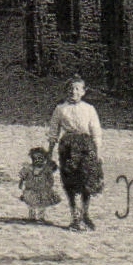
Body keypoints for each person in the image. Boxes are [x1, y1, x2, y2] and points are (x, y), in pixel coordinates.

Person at [46, 74, 104, 231]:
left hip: (86, 147)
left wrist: (97, 152)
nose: (74, 92)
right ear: (66, 91)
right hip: (68, 147)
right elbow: (53, 132)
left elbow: (96, 131)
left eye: (77, 89)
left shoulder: (89, 109)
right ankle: (74, 216)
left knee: (87, 181)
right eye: (71, 89)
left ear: (83, 92)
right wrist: (50, 153)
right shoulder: (60, 109)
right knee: (70, 182)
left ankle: (85, 213)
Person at [17, 145, 61, 223]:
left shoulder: (46, 169)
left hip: (43, 190)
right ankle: (32, 217)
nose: (38, 160)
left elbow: (50, 178)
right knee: (31, 204)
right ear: (32, 159)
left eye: (41, 158)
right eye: (36, 158)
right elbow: (23, 176)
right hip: (31, 190)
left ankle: (41, 217)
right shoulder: (29, 168)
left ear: (44, 159)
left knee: (42, 204)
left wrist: (49, 185)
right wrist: (21, 183)